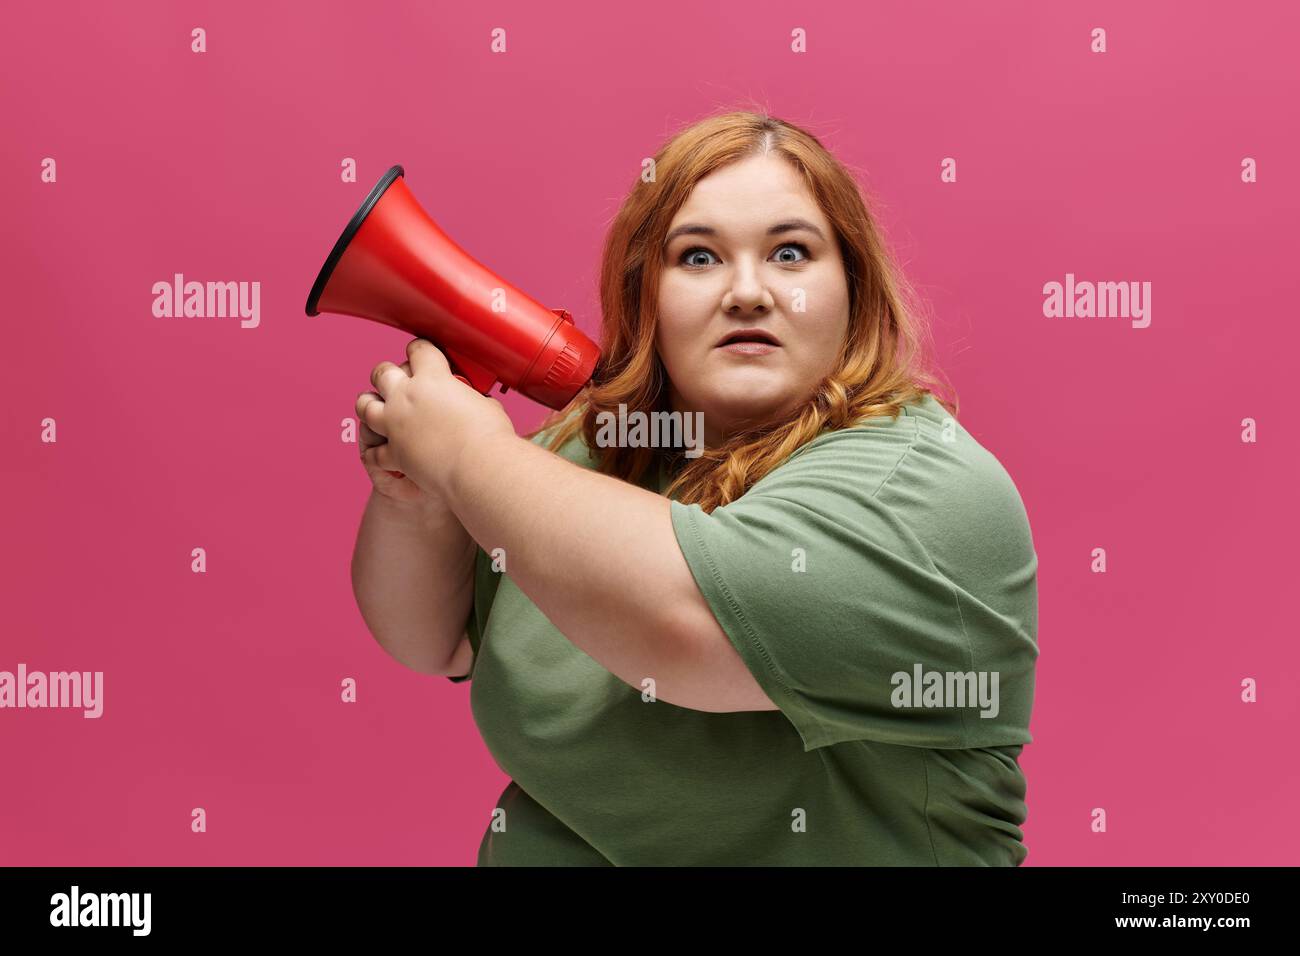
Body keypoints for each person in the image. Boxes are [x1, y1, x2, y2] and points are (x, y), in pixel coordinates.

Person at [349, 110, 1039, 866]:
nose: (747, 292)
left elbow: (686, 629)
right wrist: (413, 497)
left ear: (854, 287)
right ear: (648, 295)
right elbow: (435, 639)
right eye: (699, 258)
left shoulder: (923, 487)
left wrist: (465, 454)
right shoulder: (585, 453)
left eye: (790, 253)